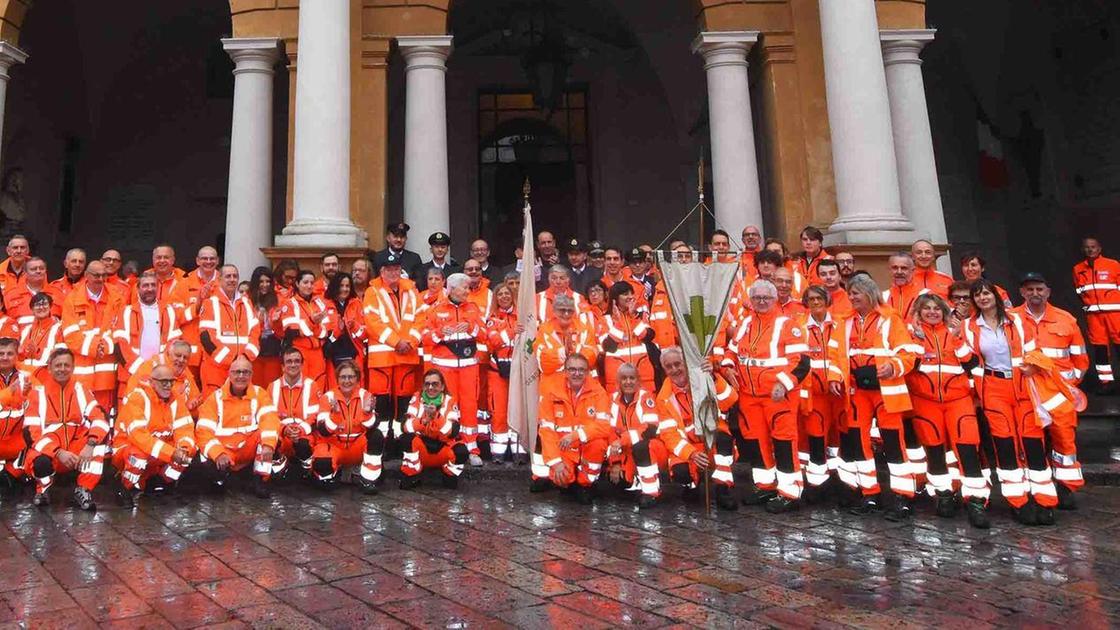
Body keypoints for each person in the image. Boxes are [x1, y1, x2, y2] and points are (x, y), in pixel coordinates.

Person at [964, 279, 1058, 525]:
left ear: (995, 295)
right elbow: (967, 358)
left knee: (1033, 443)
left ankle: (1044, 500)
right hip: (993, 389)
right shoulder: (968, 326)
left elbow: (1033, 348)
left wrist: (1032, 365)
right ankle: (1018, 501)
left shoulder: (1016, 320)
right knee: (1004, 444)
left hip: (1023, 386)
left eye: (986, 293)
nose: (983, 297)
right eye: (978, 295)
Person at [827, 273, 920, 520]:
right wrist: (835, 377)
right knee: (859, 443)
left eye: (856, 293)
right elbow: (835, 355)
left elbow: (907, 354)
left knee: (893, 444)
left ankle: (902, 497)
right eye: (850, 294)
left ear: (869, 294)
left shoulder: (891, 319)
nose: (852, 298)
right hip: (856, 392)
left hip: (885, 391)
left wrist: (892, 367)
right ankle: (870, 493)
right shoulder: (844, 322)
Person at [721, 279, 811, 513]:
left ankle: (790, 493)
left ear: (774, 299)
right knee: (755, 441)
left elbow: (801, 362)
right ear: (750, 300)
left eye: (766, 298)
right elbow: (731, 349)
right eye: (757, 298)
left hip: (778, 396)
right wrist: (728, 365)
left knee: (783, 442)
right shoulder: (745, 322)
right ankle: (765, 486)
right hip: (749, 395)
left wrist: (783, 383)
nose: (761, 301)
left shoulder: (787, 324)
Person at [905, 293, 989, 528]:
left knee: (967, 448)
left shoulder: (957, 333)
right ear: (918, 313)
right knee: (934, 450)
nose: (932, 312)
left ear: (944, 312)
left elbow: (972, 364)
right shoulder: (911, 335)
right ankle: (943, 495)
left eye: (936, 309)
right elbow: (909, 365)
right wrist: (917, 341)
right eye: (926, 309)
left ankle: (976, 500)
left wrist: (957, 338)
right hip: (925, 401)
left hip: (958, 400)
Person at [1013, 272, 1088, 509]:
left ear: (1048, 292)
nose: (1035, 293)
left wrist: (1069, 387)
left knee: (1064, 441)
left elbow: (1080, 360)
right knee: (1031, 444)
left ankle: (1066, 487)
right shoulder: (1011, 319)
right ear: (1022, 292)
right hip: (1026, 392)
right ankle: (1037, 487)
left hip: (1058, 395)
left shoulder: (1066, 320)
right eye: (1030, 289)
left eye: (1039, 289)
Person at [24, 348, 109, 510]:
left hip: (76, 450)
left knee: (99, 445)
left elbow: (100, 418)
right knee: (40, 460)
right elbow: (32, 434)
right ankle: (43, 490)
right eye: (58, 365)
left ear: (73, 367)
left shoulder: (81, 390)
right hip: (52, 452)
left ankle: (84, 489)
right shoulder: (36, 395)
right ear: (49, 368)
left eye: (66, 365)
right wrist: (57, 452)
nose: (62, 369)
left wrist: (90, 444)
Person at [656, 347, 739, 510]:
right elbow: (669, 435)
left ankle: (723, 488)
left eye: (677, 364)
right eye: (669, 366)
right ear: (664, 369)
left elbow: (730, 399)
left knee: (724, 439)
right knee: (680, 471)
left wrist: (714, 378)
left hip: (712, 439)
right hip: (689, 446)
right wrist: (691, 453)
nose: (674, 369)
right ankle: (691, 486)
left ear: (686, 363)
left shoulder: (703, 378)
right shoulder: (663, 398)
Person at [423, 273, 487, 465]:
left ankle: (471, 449)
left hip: (468, 367)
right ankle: (448, 445)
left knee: (469, 406)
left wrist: (471, 328)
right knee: (447, 407)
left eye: (468, 288)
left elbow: (485, 335)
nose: (468, 291)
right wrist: (440, 333)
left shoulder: (473, 309)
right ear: (451, 289)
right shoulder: (436, 309)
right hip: (444, 368)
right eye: (464, 287)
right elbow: (424, 337)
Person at [195, 355, 281, 497]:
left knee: (269, 438)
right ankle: (221, 480)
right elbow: (203, 432)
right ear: (229, 374)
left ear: (251, 374)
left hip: (247, 450)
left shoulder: (260, 394)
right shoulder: (214, 399)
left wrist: (268, 444)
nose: (241, 376)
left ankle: (260, 480)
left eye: (245, 372)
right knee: (209, 470)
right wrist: (218, 454)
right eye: (237, 372)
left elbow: (270, 419)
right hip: (224, 453)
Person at [531, 354, 611, 504]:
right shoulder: (551, 393)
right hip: (564, 449)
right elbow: (546, 430)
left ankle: (585, 484)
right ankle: (570, 481)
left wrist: (576, 435)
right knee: (562, 479)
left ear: (587, 372)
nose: (577, 373)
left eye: (581, 370)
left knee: (599, 443)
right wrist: (556, 463)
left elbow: (604, 425)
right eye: (572, 369)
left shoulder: (598, 392)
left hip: (586, 447)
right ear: (565, 372)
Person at [112, 364, 196, 507]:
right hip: (127, 451)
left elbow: (185, 429)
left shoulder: (176, 400)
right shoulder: (137, 399)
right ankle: (125, 488)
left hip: (157, 452)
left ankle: (162, 484)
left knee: (189, 451)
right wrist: (171, 453)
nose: (168, 385)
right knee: (137, 454)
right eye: (164, 382)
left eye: (171, 381)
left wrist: (183, 448)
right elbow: (140, 437)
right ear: (152, 382)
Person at [363, 250, 422, 451]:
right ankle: (382, 443)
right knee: (382, 402)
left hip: (407, 356)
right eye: (389, 269)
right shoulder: (372, 292)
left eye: (396, 268)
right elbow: (373, 323)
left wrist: (411, 342)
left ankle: (402, 440)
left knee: (405, 401)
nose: (393, 272)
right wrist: (397, 342)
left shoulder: (411, 290)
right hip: (383, 359)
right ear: (381, 271)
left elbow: (421, 317)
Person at [61, 260, 125, 414]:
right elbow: (70, 334)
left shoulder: (116, 297)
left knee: (105, 414)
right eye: (96, 275)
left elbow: (120, 327)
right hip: (82, 372)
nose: (101, 279)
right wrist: (96, 347)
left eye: (104, 275)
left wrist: (106, 346)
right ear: (86, 276)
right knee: (81, 413)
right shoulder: (72, 298)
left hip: (107, 372)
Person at [313, 360, 382, 492]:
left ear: (357, 379)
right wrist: (335, 415)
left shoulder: (365, 396)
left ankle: (367, 480)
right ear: (337, 379)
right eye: (343, 377)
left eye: (351, 377)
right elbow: (323, 431)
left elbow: (372, 426)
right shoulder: (327, 398)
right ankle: (336, 474)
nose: (347, 381)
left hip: (357, 446)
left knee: (377, 436)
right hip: (334, 446)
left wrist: (367, 413)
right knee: (324, 481)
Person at [799, 286, 840, 498]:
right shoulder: (799, 327)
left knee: (837, 440)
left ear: (827, 300)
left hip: (839, 393)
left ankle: (838, 481)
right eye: (811, 299)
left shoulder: (840, 324)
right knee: (815, 436)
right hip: (813, 393)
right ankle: (817, 485)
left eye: (819, 298)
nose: (815, 302)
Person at [114, 271, 181, 400]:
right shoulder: (126, 312)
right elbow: (119, 345)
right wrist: (142, 369)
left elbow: (174, 344)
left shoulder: (168, 311)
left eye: (153, 285)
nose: (149, 289)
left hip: (161, 378)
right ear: (138, 288)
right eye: (145, 286)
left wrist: (159, 369)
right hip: (130, 375)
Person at [398, 369, 469, 489]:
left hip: (442, 448)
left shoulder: (449, 401)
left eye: (435, 384)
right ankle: (413, 474)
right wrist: (422, 422)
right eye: (427, 384)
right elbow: (405, 427)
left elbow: (453, 431)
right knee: (406, 439)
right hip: (422, 449)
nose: (430, 387)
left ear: (442, 387)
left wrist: (436, 417)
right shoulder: (416, 398)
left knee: (461, 451)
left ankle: (448, 474)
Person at [606, 364, 664, 509]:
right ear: (618, 382)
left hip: (651, 449)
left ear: (639, 381)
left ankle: (651, 492)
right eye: (624, 378)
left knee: (641, 446)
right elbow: (610, 432)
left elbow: (650, 429)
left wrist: (623, 440)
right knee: (619, 482)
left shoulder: (646, 397)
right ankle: (635, 480)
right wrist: (615, 463)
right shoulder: (612, 400)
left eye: (632, 378)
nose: (628, 382)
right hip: (626, 452)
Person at [198, 265, 261, 396]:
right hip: (216, 370)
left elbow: (255, 334)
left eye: (235, 276)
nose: (232, 279)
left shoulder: (247, 303)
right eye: (228, 276)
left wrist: (245, 358)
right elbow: (207, 339)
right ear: (219, 279)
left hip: (242, 369)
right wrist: (232, 360)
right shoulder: (210, 303)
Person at [1072, 237, 1120, 393]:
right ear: (1083, 250)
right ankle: (1106, 383)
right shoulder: (1078, 269)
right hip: (1094, 316)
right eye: (1087, 247)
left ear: (1099, 249)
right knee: (1100, 349)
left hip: (1115, 314)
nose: (1090, 250)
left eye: (1093, 247)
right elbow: (1080, 291)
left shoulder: (1113, 265)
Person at [168, 246, 220, 380]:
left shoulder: (224, 283)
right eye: (204, 258)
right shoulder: (184, 284)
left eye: (212, 258)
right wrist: (197, 307)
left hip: (216, 352)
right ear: (197, 261)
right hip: (189, 353)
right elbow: (176, 317)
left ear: (218, 261)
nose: (208, 261)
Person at [268, 347, 319, 478]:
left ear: (302, 365)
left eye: (297, 361)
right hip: (281, 436)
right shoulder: (272, 387)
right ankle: (281, 467)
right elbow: (268, 418)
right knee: (268, 441)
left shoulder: (312, 386)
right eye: (289, 361)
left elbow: (315, 417)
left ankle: (306, 469)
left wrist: (300, 431)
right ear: (283, 366)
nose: (293, 364)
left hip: (303, 437)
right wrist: (283, 429)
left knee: (303, 445)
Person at [534, 294, 599, 388]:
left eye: (570, 310)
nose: (566, 314)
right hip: (553, 386)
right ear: (554, 311)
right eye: (562, 310)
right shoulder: (544, 329)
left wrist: (572, 351)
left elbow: (592, 354)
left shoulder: (583, 328)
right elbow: (542, 361)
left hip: (582, 385)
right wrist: (564, 352)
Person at [601, 282, 656, 393]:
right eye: (626, 294)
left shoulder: (640, 316)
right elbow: (609, 347)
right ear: (615, 298)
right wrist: (618, 323)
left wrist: (633, 317)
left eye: (632, 293)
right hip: (617, 378)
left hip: (643, 376)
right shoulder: (605, 319)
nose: (630, 297)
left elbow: (646, 337)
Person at [280, 270, 330, 389]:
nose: (309, 286)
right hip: (299, 353)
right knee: (300, 387)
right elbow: (291, 332)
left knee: (318, 388)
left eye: (312, 283)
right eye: (305, 282)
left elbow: (326, 332)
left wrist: (308, 327)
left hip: (318, 353)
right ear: (297, 284)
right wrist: (313, 322)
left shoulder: (320, 303)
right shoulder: (289, 304)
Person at [486, 283, 519, 462]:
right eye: (500, 294)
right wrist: (513, 332)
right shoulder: (492, 319)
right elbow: (494, 342)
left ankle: (518, 450)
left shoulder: (521, 317)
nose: (504, 297)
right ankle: (498, 452)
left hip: (518, 372)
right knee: (499, 411)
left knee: (518, 410)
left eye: (507, 293)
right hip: (497, 372)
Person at [323, 272, 366, 390]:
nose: (345, 289)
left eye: (347, 286)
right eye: (341, 286)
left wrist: (354, 326)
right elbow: (322, 336)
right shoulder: (324, 305)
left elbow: (365, 335)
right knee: (335, 391)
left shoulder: (356, 304)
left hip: (354, 353)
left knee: (356, 390)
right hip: (333, 356)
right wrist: (338, 331)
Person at [0, 338, 30, 491]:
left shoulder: (26, 377)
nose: (5, 357)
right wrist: (9, 393)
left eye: (10, 353)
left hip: (15, 441)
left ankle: (12, 473)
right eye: (1, 353)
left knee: (36, 434)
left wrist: (26, 394)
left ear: (17, 356)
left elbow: (39, 405)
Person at [18, 292, 64, 382]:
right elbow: (19, 356)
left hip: (47, 379)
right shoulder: (26, 330)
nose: (41, 307)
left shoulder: (59, 328)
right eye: (37, 305)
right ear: (31, 309)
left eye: (45, 304)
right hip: (25, 380)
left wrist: (37, 351)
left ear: (50, 307)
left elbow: (60, 355)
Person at [248, 266, 282, 387]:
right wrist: (259, 323)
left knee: (271, 385)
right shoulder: (247, 300)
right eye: (261, 281)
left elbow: (281, 332)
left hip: (272, 349)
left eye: (268, 281)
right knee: (255, 385)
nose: (265, 284)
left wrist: (276, 322)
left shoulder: (278, 299)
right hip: (253, 348)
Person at [7, 256, 55, 324]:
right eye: (33, 269)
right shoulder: (11, 295)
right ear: (25, 273)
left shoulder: (57, 293)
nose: (38, 271)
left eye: (41, 268)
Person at [882, 251, 926, 319]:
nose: (899, 272)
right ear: (889, 270)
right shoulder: (882, 297)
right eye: (895, 268)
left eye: (904, 268)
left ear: (913, 270)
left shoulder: (925, 295)